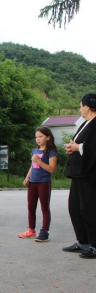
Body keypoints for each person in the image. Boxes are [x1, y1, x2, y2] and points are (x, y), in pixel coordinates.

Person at [62, 94, 96, 258]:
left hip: (89, 174)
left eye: (81, 105)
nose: (79, 108)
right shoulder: (85, 123)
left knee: (89, 208)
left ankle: (94, 245)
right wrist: (72, 147)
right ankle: (83, 241)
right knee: (75, 207)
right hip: (78, 173)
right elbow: (81, 144)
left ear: (89, 106)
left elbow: (92, 147)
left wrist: (78, 148)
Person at [18, 126, 57, 242]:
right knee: (31, 207)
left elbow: (51, 169)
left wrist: (39, 161)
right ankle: (31, 230)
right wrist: (27, 177)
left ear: (48, 137)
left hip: (44, 182)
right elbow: (32, 166)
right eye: (36, 137)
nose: (38, 139)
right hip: (33, 183)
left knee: (44, 208)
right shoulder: (35, 151)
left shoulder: (51, 152)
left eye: (40, 136)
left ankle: (44, 232)